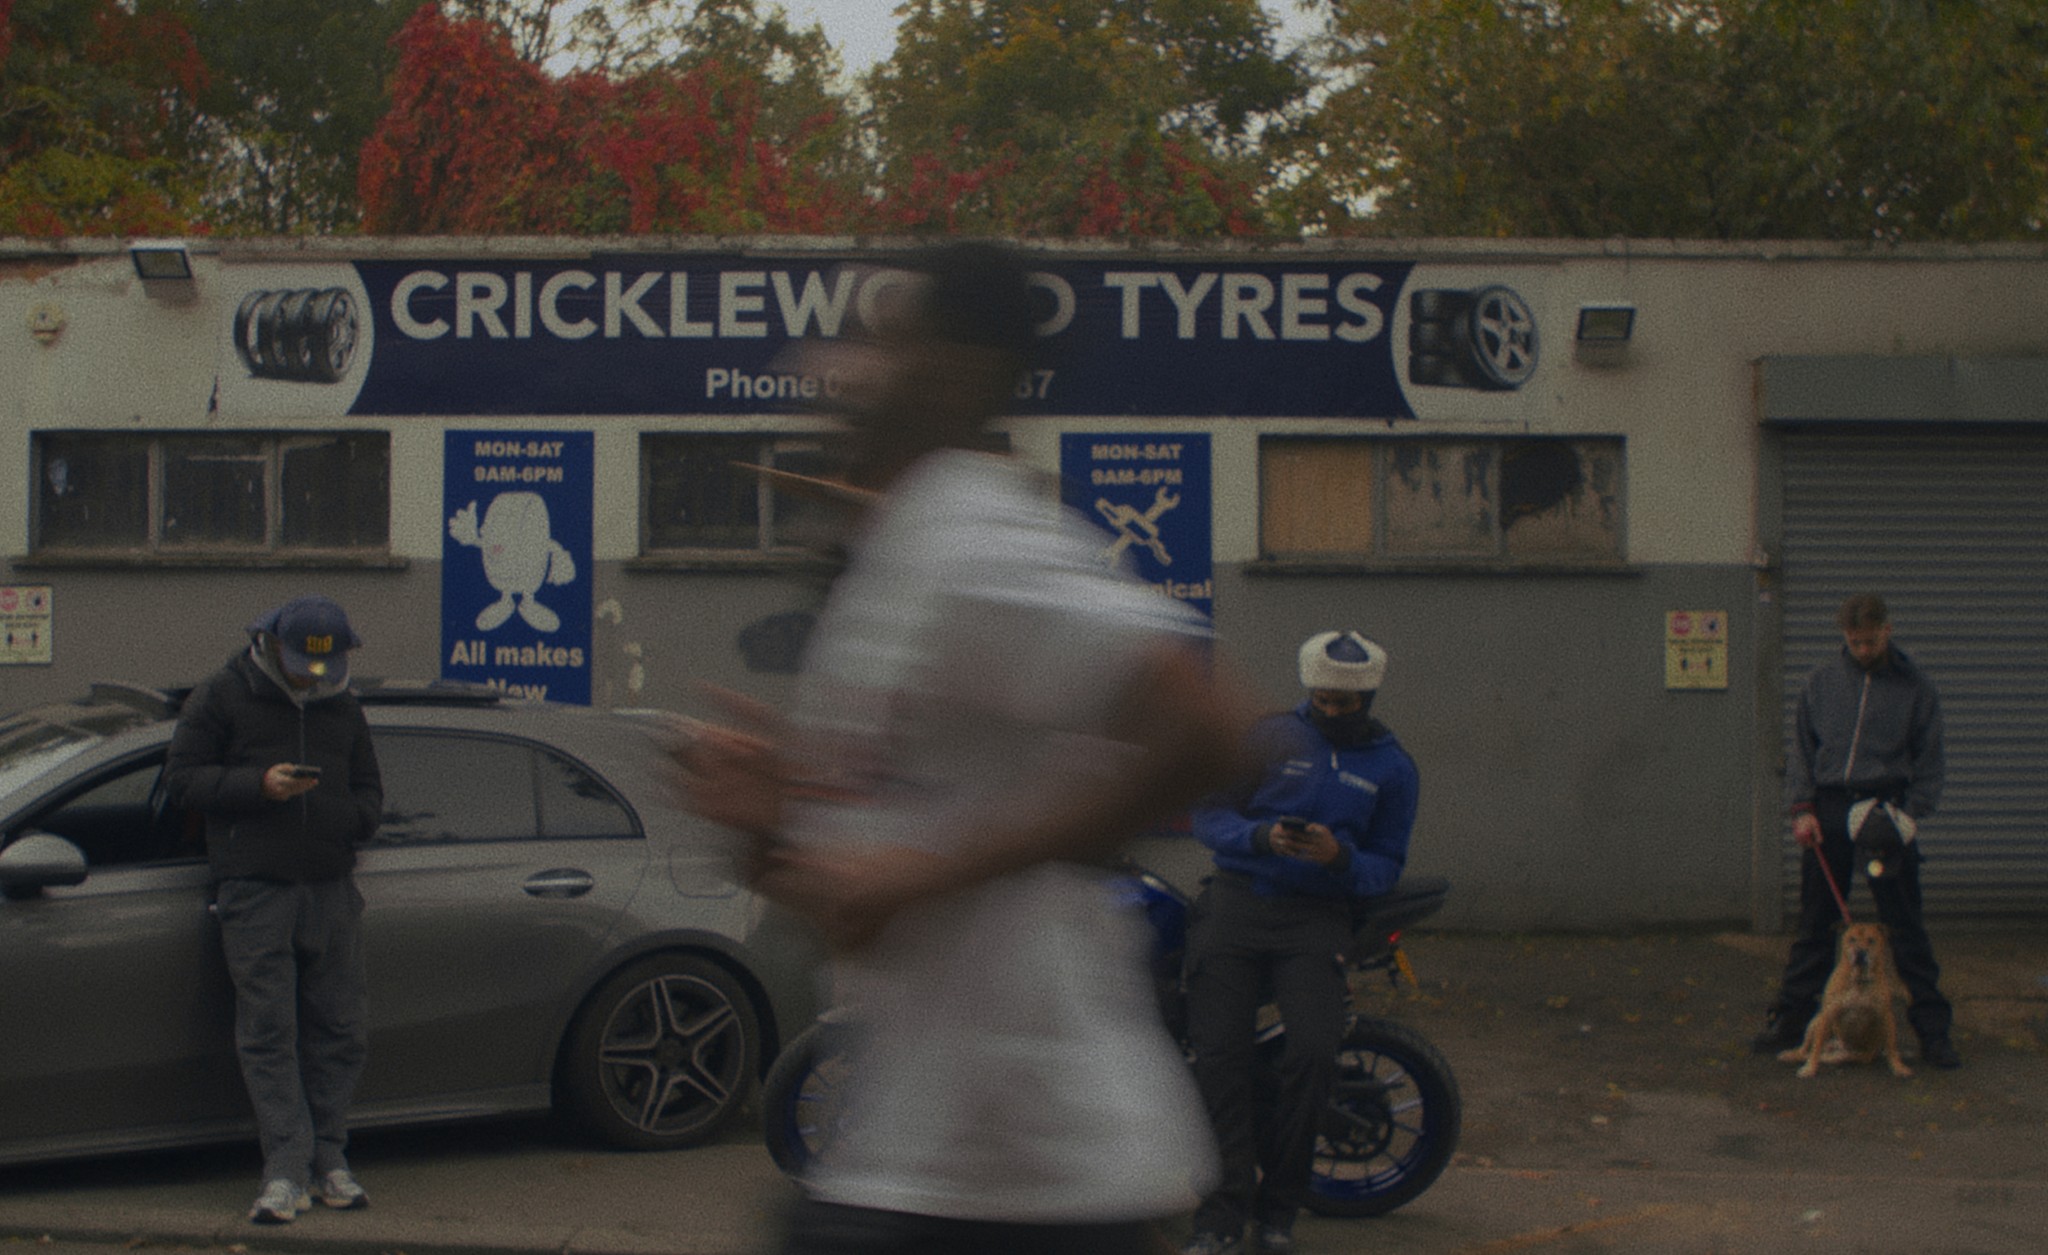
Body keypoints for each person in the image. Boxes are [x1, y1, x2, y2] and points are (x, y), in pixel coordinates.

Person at [678, 242, 1254, 1255]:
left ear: (952, 369)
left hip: (1043, 1171)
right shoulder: (888, 569)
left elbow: (1210, 736)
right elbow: (858, 916)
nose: (830, 364)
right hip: (922, 1158)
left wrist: (927, 874)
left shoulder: (978, 537)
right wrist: (762, 830)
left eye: (874, 337)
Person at [1181, 631, 1421, 1255]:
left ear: (1368, 697)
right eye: (1322, 700)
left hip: (1316, 918)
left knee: (1313, 1054)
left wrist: (1341, 857)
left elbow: (1387, 863)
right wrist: (1261, 839)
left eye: (1346, 704)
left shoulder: (1393, 768)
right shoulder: (1267, 738)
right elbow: (1210, 814)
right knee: (1218, 1059)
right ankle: (1220, 1215)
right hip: (1237, 904)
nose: (1332, 712)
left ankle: (1279, 1212)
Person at [165, 595, 384, 1224]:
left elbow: (370, 789)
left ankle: (330, 1161)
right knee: (269, 1034)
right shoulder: (222, 696)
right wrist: (259, 787)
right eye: (299, 665)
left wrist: (351, 821)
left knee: (341, 1028)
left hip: (331, 887)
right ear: (269, 646)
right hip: (255, 888)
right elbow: (182, 779)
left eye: (325, 666)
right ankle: (286, 1170)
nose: (312, 677)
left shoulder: (343, 705)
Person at [1752, 593, 1959, 1069]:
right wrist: (1801, 807)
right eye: (1854, 642)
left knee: (1904, 927)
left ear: (1888, 629)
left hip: (1885, 812)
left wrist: (1912, 813)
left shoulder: (1916, 688)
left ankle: (1933, 1034)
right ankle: (1790, 1022)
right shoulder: (1822, 683)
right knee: (1815, 925)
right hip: (1828, 809)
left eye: (1869, 640)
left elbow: (1931, 758)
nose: (1862, 650)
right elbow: (1803, 749)